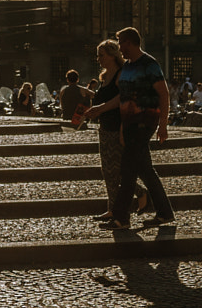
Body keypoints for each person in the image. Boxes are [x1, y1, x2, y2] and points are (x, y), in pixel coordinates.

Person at [113, 27, 174, 228]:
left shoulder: (150, 64)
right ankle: (164, 212)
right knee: (145, 170)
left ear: (129, 42)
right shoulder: (128, 66)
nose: (119, 47)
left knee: (128, 169)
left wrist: (163, 126)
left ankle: (121, 217)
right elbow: (124, 99)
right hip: (131, 124)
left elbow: (164, 94)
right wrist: (123, 128)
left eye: (121, 42)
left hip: (144, 122)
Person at [71, 39, 134, 229]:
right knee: (107, 170)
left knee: (116, 171)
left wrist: (100, 108)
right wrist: (91, 100)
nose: (98, 59)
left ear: (113, 55)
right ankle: (112, 208)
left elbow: (123, 98)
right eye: (97, 55)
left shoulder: (121, 74)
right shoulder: (104, 76)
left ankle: (134, 201)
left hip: (117, 126)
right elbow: (104, 98)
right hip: (105, 127)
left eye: (101, 55)